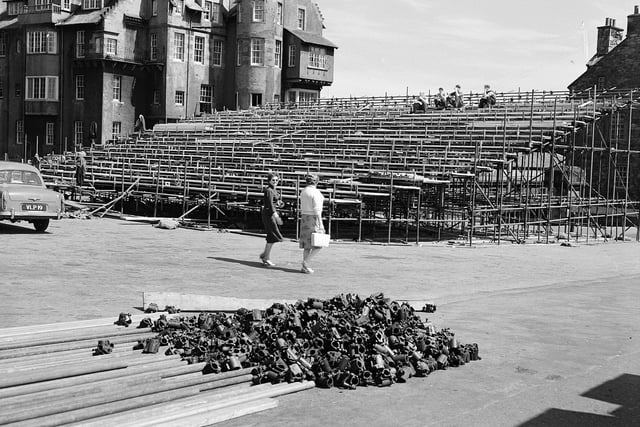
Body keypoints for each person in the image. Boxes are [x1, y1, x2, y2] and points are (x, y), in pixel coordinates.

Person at [298, 173, 325, 274]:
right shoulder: (315, 192)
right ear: (316, 182)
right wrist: (321, 223)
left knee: (307, 245)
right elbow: (317, 209)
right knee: (319, 244)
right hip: (313, 218)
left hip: (305, 217)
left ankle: (305, 266)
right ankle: (306, 262)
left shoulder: (304, 191)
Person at [259, 172, 284, 267]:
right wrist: (276, 216)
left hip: (271, 213)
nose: (275, 181)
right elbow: (269, 204)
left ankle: (265, 255)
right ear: (269, 181)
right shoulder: (269, 190)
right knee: (272, 235)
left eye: (277, 180)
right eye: (273, 180)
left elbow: (276, 201)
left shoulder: (274, 190)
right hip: (269, 214)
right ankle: (266, 257)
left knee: (272, 236)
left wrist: (280, 203)